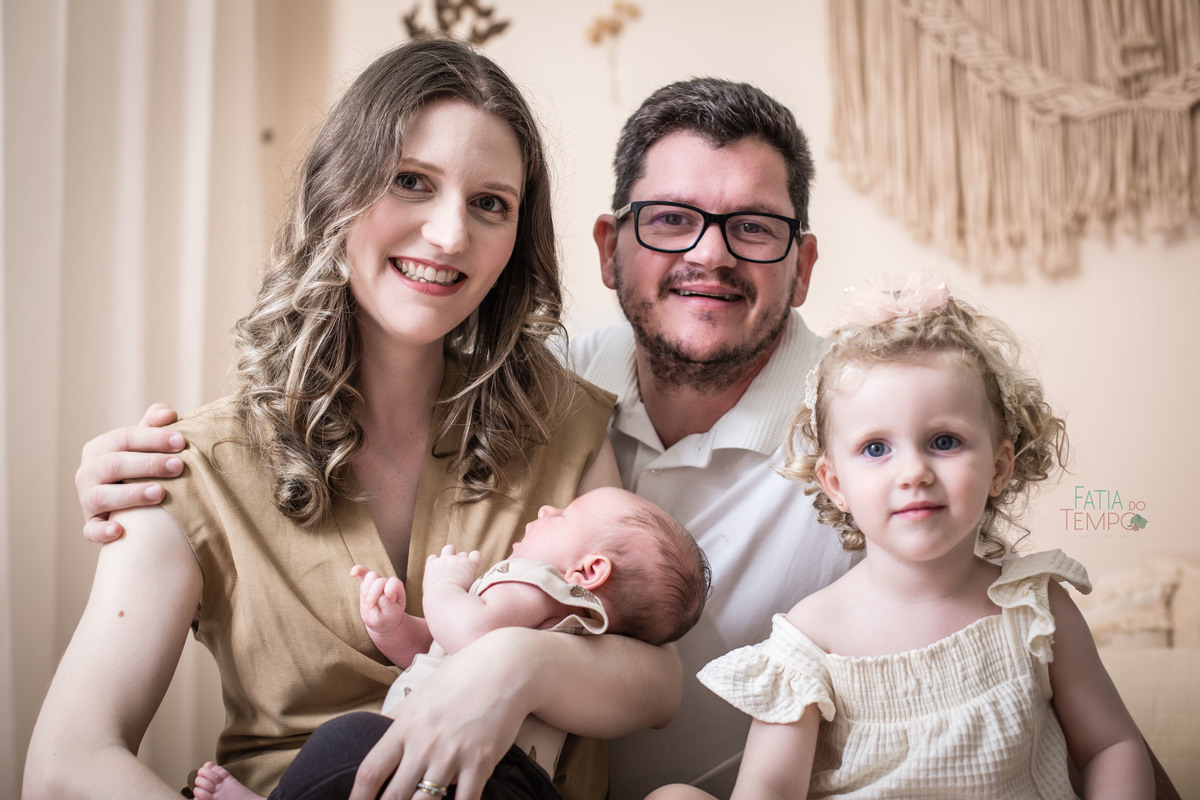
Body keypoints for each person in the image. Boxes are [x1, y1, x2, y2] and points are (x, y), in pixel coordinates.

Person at [71, 77, 855, 796]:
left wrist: (514, 664)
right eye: (410, 181)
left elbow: (655, 682)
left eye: (491, 204)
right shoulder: (186, 463)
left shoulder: (560, 410)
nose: (448, 235)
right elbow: (68, 762)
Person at [650, 278, 1154, 799]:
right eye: (875, 449)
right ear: (836, 485)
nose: (913, 471)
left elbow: (1111, 746)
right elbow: (771, 787)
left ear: (1000, 467)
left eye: (944, 441)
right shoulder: (814, 638)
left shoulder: (1032, 608)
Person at [194, 486, 711, 800]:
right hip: (522, 785)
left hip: (470, 765)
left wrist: (443, 586)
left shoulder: (539, 582)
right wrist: (397, 631)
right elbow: (444, 652)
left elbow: (472, 636)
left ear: (589, 570)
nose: (549, 510)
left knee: (344, 743)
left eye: (567, 515)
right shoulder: (577, 624)